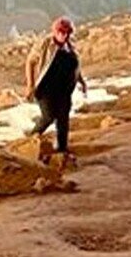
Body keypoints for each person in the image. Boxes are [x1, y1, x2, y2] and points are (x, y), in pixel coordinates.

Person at [24, 17, 87, 158]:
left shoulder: (70, 47)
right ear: (55, 31)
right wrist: (30, 85)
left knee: (63, 119)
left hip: (64, 90)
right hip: (45, 89)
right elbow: (30, 62)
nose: (63, 35)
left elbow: (75, 67)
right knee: (48, 116)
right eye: (60, 32)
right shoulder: (45, 43)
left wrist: (81, 82)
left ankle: (62, 150)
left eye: (66, 32)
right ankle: (29, 140)